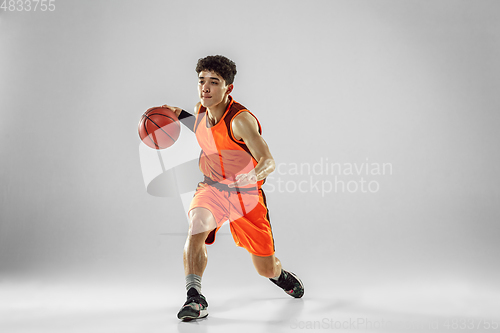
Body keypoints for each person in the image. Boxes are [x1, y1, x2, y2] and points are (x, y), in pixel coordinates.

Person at [162, 55, 304, 321]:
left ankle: (280, 275)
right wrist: (177, 114)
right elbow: (203, 129)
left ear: (228, 88)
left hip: (245, 196)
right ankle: (195, 298)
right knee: (196, 226)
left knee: (265, 268)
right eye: (202, 81)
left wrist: (252, 176)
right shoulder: (202, 110)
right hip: (213, 188)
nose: (206, 88)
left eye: (214, 82)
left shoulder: (241, 121)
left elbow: (268, 161)